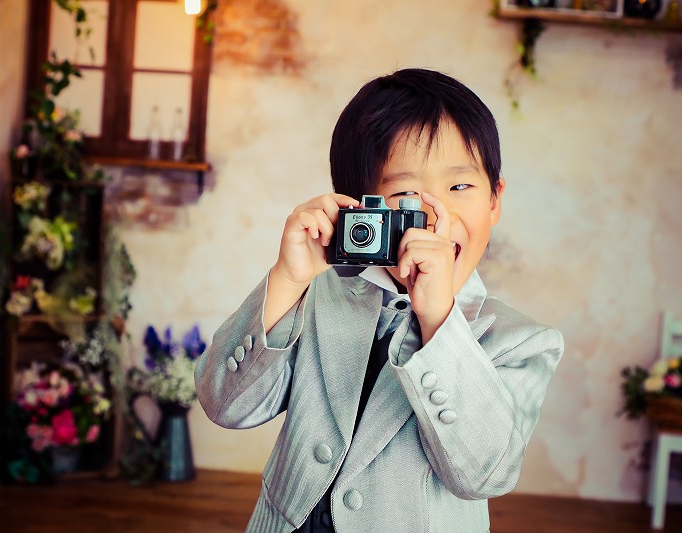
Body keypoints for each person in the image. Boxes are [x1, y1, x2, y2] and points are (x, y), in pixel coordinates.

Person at [195, 68, 564, 533]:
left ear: (495, 199)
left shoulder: (523, 342)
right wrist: (287, 279)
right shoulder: (320, 293)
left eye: (461, 186)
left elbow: (485, 474)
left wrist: (438, 318)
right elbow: (224, 406)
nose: (436, 214)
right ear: (359, 208)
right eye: (405, 192)